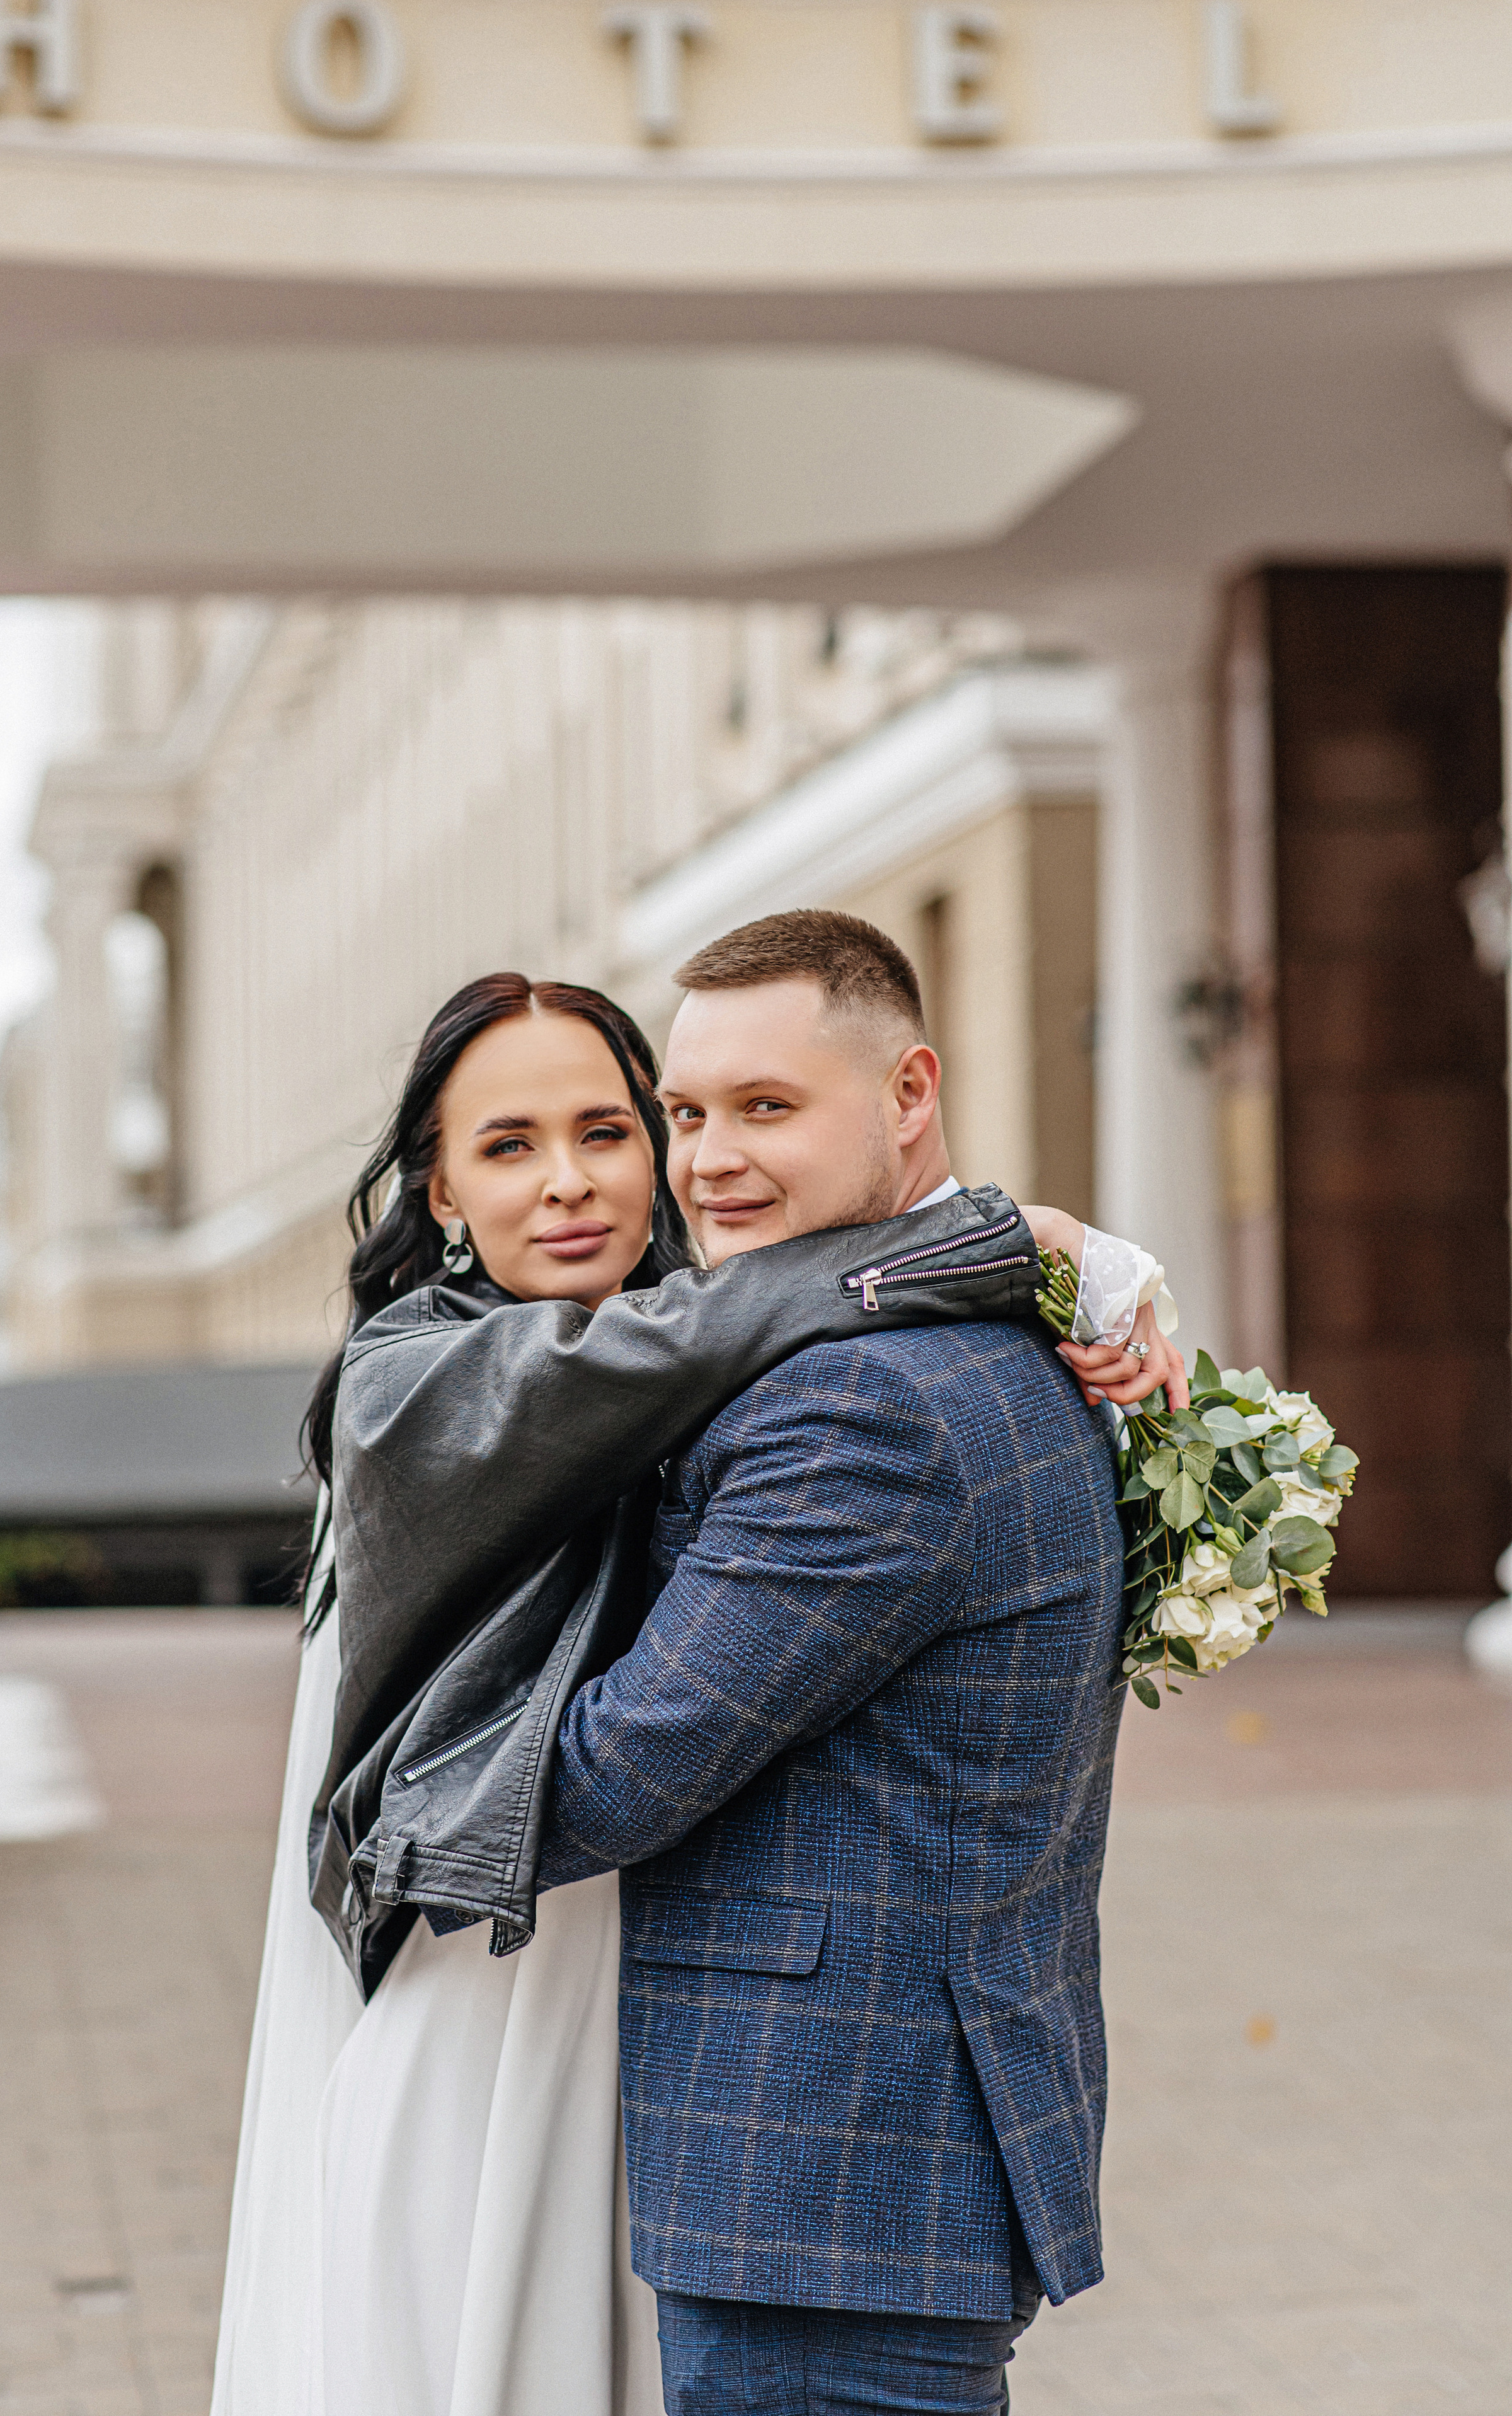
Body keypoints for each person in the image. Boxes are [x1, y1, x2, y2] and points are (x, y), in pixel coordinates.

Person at [211, 946, 1180, 2416]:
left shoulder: (766, 1356)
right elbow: (690, 1340)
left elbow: (714, 1333)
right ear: (438, 1193)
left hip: (688, 2047)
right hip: (494, 1963)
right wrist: (1018, 1242)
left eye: (610, 1131)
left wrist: (1032, 1249)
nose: (572, 1182)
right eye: (508, 1146)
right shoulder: (420, 1374)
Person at [532, 910, 1150, 2415]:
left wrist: (377, 1787)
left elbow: (616, 1775)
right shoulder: (946, 1336)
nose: (704, 1162)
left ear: (907, 1092)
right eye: (685, 1114)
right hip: (868, 2167)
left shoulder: (862, 1410)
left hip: (821, 2173)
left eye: (765, 1108)